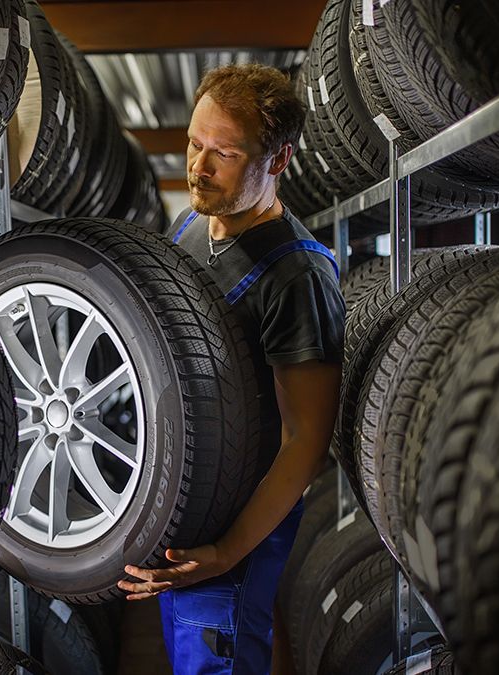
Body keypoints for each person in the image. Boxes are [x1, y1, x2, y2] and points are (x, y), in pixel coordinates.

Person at [116, 64, 345, 675]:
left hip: (236, 533)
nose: (199, 166)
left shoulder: (299, 279)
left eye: (226, 153)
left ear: (278, 160)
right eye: (195, 143)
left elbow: (305, 441)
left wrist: (226, 552)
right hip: (184, 510)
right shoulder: (191, 223)